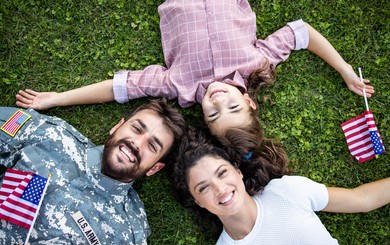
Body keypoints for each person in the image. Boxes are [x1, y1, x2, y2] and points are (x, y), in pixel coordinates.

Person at [15, 0, 374, 155]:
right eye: (231, 105)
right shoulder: (257, 63)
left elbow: (119, 89)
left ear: (201, 116)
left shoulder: (178, 86)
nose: (217, 99)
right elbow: (302, 33)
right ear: (248, 100)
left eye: (213, 113)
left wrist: (58, 98)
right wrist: (344, 70)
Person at [0, 98, 186, 245]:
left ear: (154, 168)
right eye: (136, 129)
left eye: (152, 146)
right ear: (117, 126)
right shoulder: (51, 134)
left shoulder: (127, 241)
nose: (137, 143)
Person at [171, 127, 390, 245]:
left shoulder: (285, 191)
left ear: (238, 172)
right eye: (203, 188)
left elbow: (363, 199)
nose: (220, 189)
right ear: (197, 201)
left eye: (222, 173)